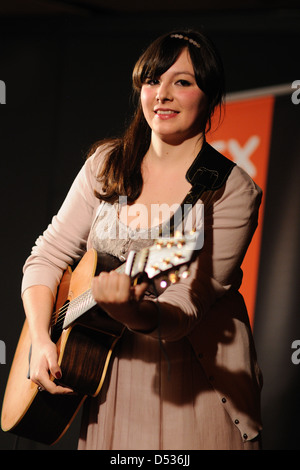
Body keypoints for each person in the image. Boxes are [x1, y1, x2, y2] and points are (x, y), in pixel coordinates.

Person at [21, 29, 263, 450]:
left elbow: (187, 303)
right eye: (153, 80)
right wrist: (42, 338)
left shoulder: (231, 190)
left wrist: (134, 311)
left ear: (209, 95)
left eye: (182, 82)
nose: (163, 94)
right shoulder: (106, 165)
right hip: (103, 380)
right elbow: (48, 255)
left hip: (191, 388)